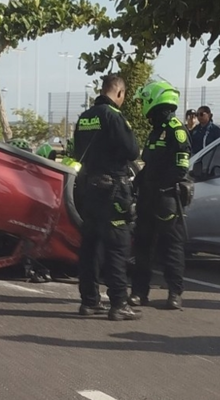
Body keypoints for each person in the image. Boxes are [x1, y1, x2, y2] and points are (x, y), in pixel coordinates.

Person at [72, 74, 141, 321]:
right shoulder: (114, 116)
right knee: (116, 247)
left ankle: (89, 301)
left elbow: (77, 151)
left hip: (89, 189)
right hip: (113, 190)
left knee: (90, 246)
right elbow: (132, 150)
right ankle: (118, 304)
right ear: (119, 93)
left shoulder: (85, 117)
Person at [130, 81, 193, 311]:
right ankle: (139, 293)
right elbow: (150, 164)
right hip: (148, 197)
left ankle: (175, 293)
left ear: (154, 100)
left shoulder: (177, 129)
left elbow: (180, 168)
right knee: (142, 247)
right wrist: (136, 183)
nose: (143, 105)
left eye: (145, 100)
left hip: (166, 199)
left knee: (171, 247)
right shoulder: (156, 129)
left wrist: (158, 186)